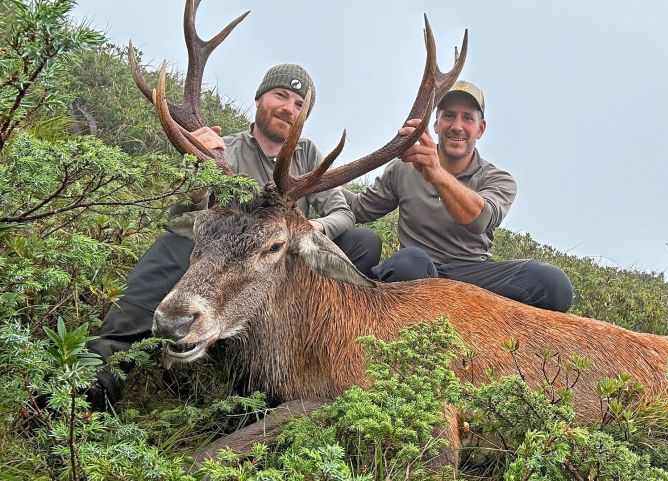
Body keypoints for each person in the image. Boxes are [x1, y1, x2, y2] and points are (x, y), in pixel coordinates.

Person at [88, 64, 381, 406]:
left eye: (299, 104)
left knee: (364, 242)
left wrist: (309, 229)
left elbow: (343, 212)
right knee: (174, 243)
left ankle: (318, 345)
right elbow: (181, 218)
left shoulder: (309, 155)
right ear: (259, 99)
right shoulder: (220, 150)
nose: (289, 107)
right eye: (281, 95)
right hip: (223, 256)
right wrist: (199, 176)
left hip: (276, 265)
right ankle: (102, 369)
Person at [344, 80, 574, 312]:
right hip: (417, 269)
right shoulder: (402, 168)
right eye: (449, 116)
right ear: (435, 125)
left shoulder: (498, 179)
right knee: (408, 262)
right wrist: (313, 178)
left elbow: (479, 219)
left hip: (472, 273)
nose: (457, 126)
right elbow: (359, 208)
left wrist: (435, 173)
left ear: (480, 128)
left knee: (553, 284)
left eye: (467, 118)